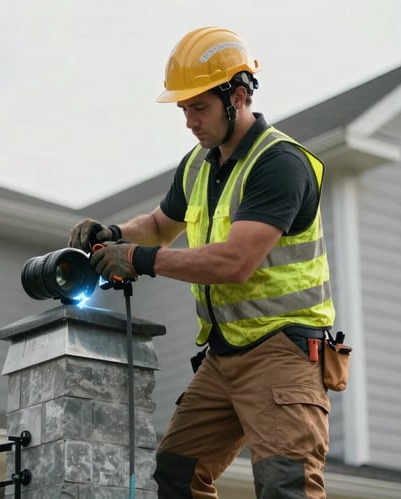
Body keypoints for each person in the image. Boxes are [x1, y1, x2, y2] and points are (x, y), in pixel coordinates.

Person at [68, 27, 335, 499]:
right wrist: (114, 234)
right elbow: (158, 223)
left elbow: (235, 262)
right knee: (175, 475)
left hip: (282, 354)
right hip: (224, 356)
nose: (189, 120)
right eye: (183, 109)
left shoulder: (280, 164)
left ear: (238, 96)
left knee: (284, 487)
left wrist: (137, 258)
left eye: (200, 107)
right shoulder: (198, 163)